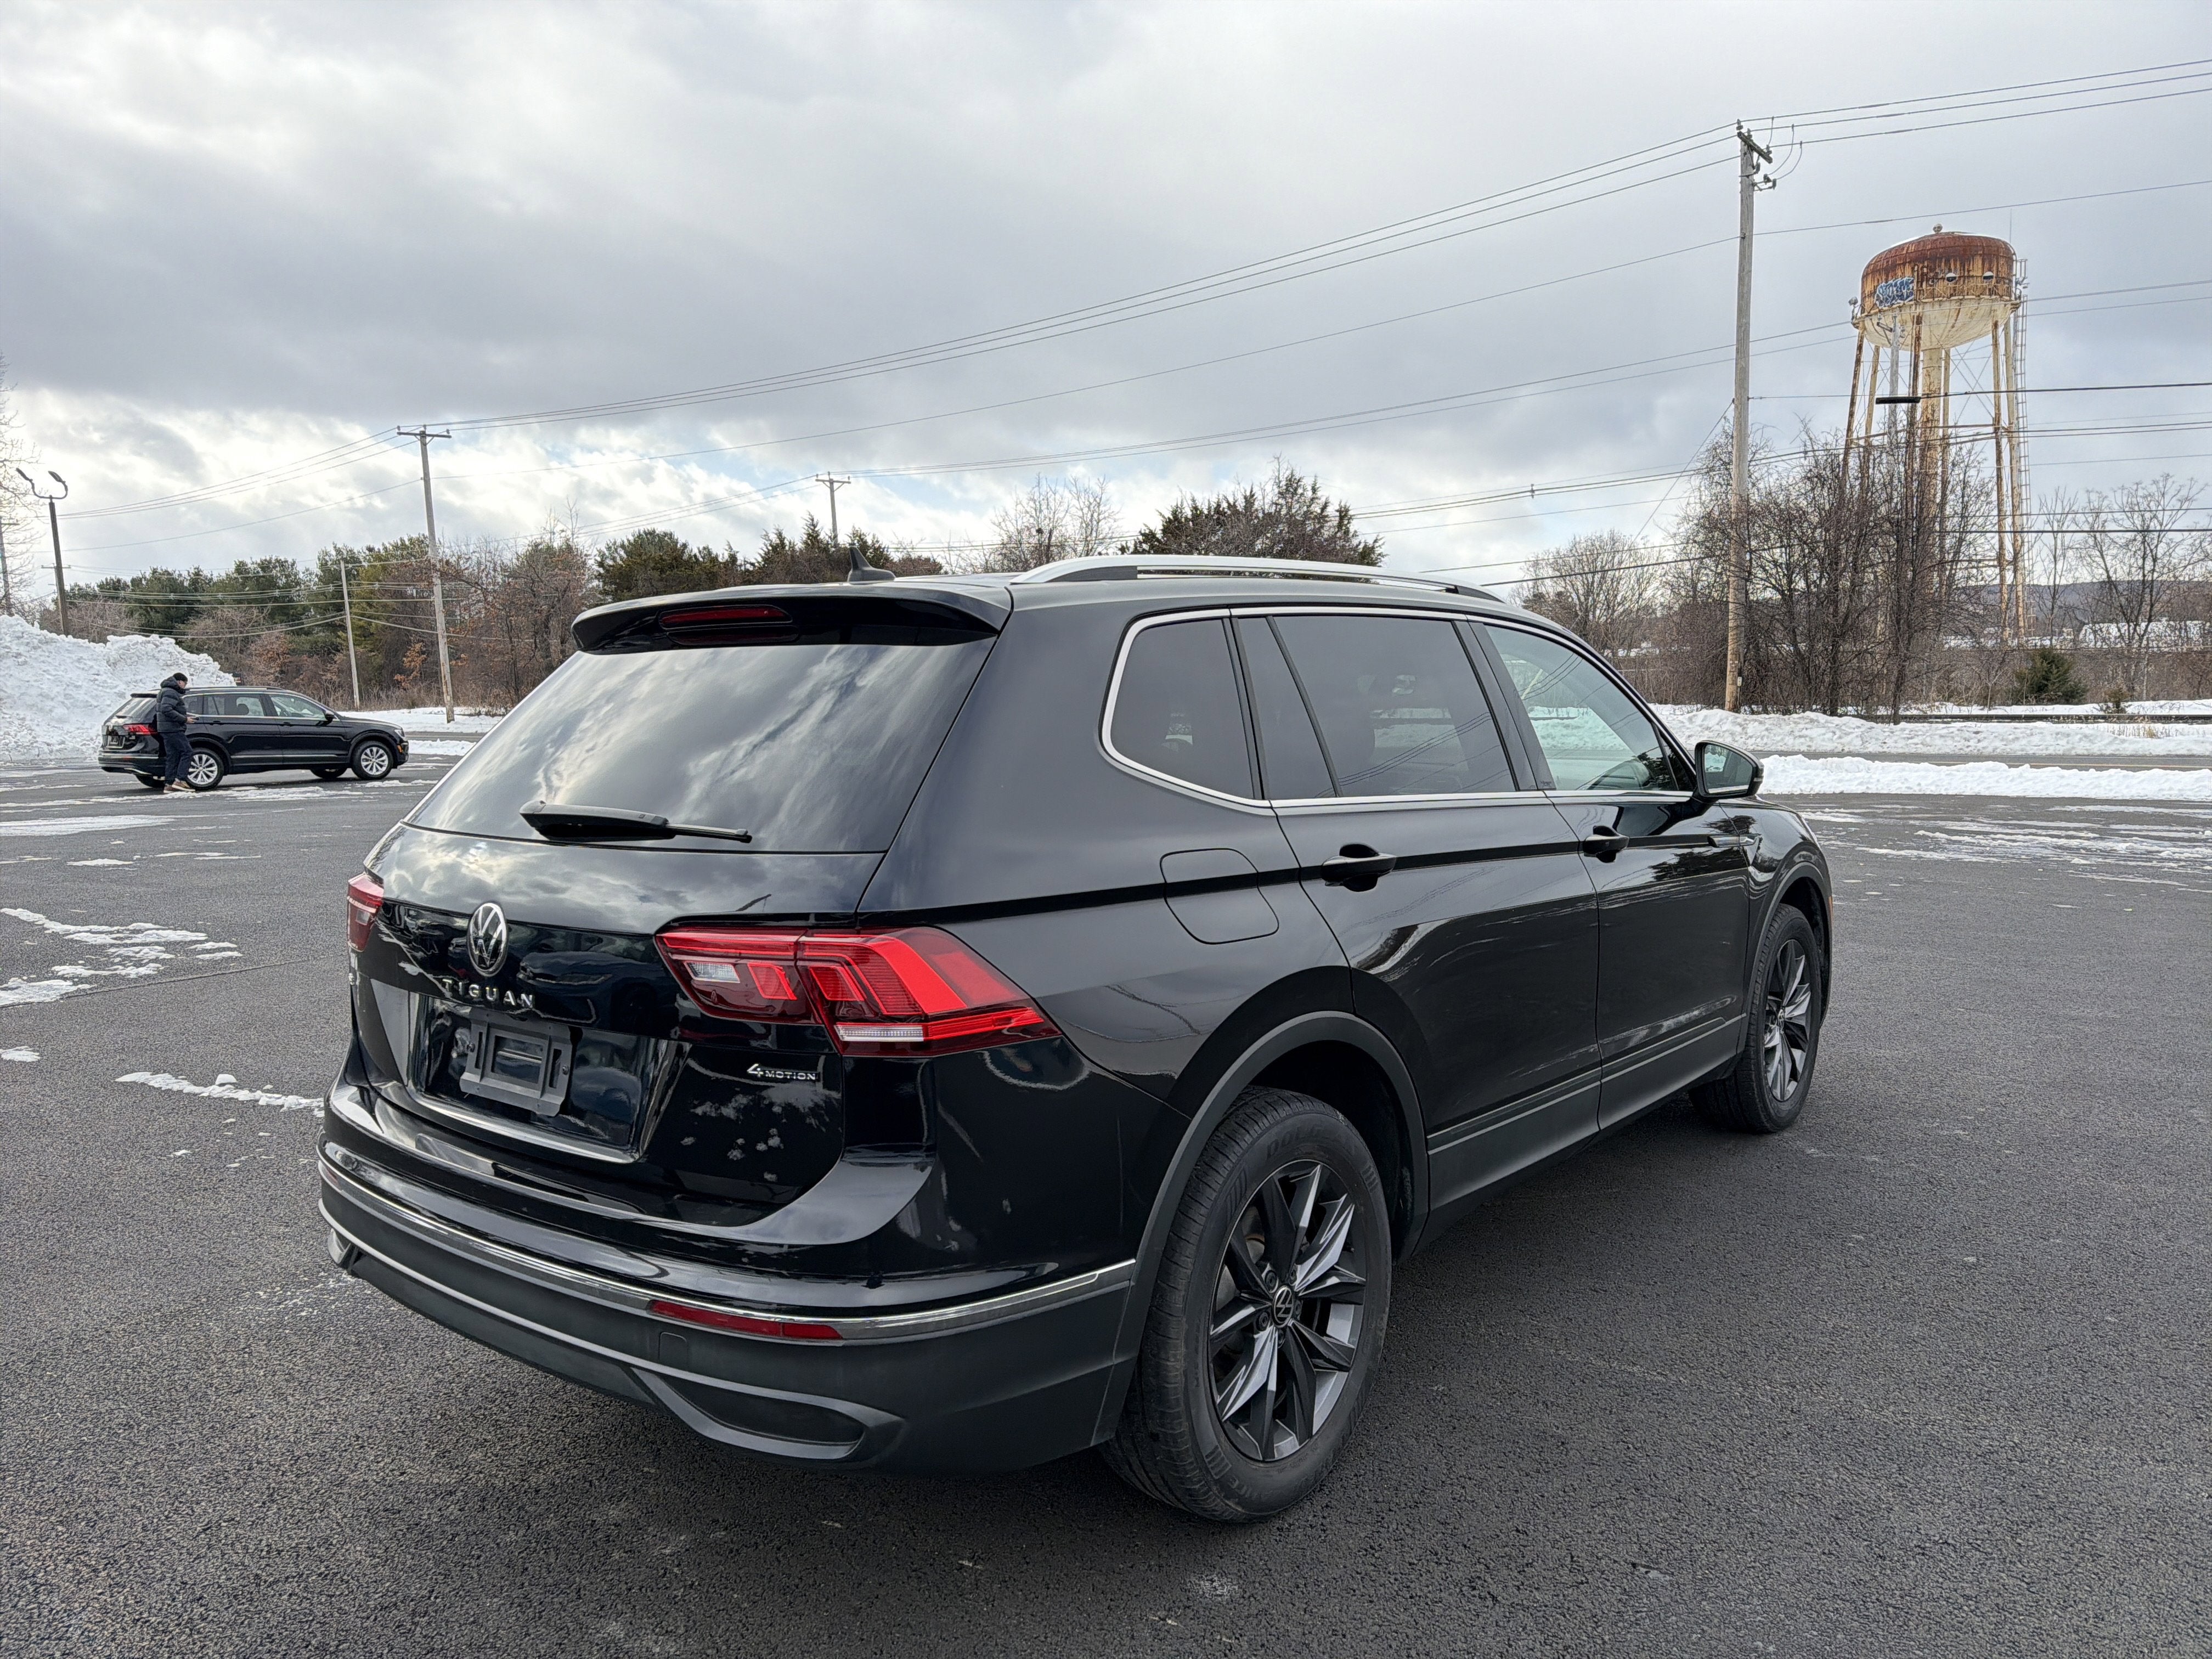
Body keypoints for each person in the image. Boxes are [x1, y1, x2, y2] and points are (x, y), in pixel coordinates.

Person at [154, 672, 194, 793]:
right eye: (185, 683)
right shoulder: (171, 692)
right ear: (179, 682)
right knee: (187, 752)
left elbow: (168, 709)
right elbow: (166, 709)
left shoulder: (165, 691)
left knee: (173, 756)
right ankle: (180, 781)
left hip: (166, 729)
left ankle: (169, 784)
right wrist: (184, 719)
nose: (185, 686)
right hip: (173, 728)